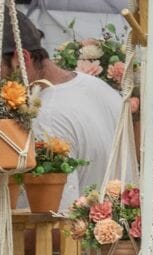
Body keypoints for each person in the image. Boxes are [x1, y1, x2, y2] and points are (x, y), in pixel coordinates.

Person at [14, 13, 125, 200]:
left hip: (81, 226)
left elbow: (56, 218)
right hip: (121, 224)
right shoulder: (97, 86)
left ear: (22, 58)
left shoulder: (46, 118)